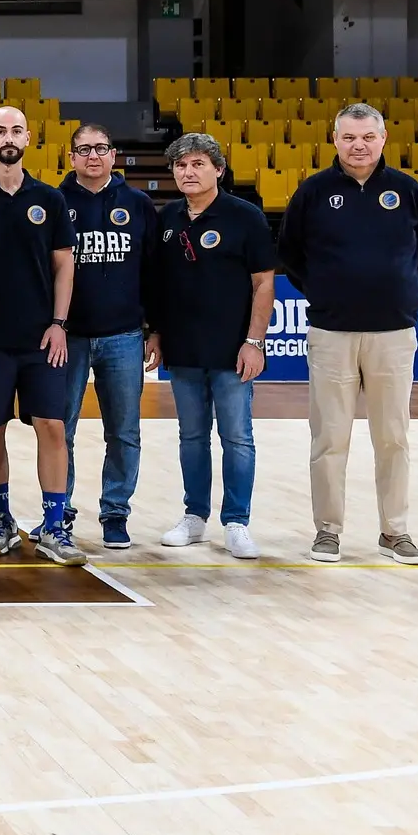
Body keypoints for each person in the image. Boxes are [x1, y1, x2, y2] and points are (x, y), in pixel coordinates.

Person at [279, 101, 418, 565]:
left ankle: (395, 531)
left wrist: (400, 287)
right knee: (330, 437)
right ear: (335, 140)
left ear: (383, 138)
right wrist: (326, 293)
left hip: (393, 332)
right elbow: (290, 251)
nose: (359, 144)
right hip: (332, 332)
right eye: (349, 136)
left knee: (393, 436)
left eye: (368, 136)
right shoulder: (313, 191)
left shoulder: (406, 191)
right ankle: (328, 531)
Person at [0, 105, 85, 566]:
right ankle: (2, 519)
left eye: (16, 130)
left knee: (52, 426)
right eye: (0, 130)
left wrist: (59, 324)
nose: (8, 137)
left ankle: (53, 525)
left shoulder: (49, 199)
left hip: (42, 340)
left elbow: (65, 264)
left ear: (29, 139)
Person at [147, 134, 276, 561]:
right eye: (181, 165)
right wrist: (158, 335)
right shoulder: (166, 220)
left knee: (237, 437)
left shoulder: (246, 217)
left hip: (233, 350)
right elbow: (160, 286)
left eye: (198, 164)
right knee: (192, 436)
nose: (188, 172)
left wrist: (254, 341)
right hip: (183, 350)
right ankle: (195, 517)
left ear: (218, 169)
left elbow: (263, 284)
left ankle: (237, 522)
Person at [56, 121, 156, 550]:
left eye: (101, 148)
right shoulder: (54, 202)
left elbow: (154, 271)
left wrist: (156, 329)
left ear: (114, 156)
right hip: (69, 336)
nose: (93, 156)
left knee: (124, 431)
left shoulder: (138, 204)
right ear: (72, 157)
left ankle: (116, 513)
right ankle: (59, 509)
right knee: (61, 430)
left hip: (124, 335)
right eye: (84, 150)